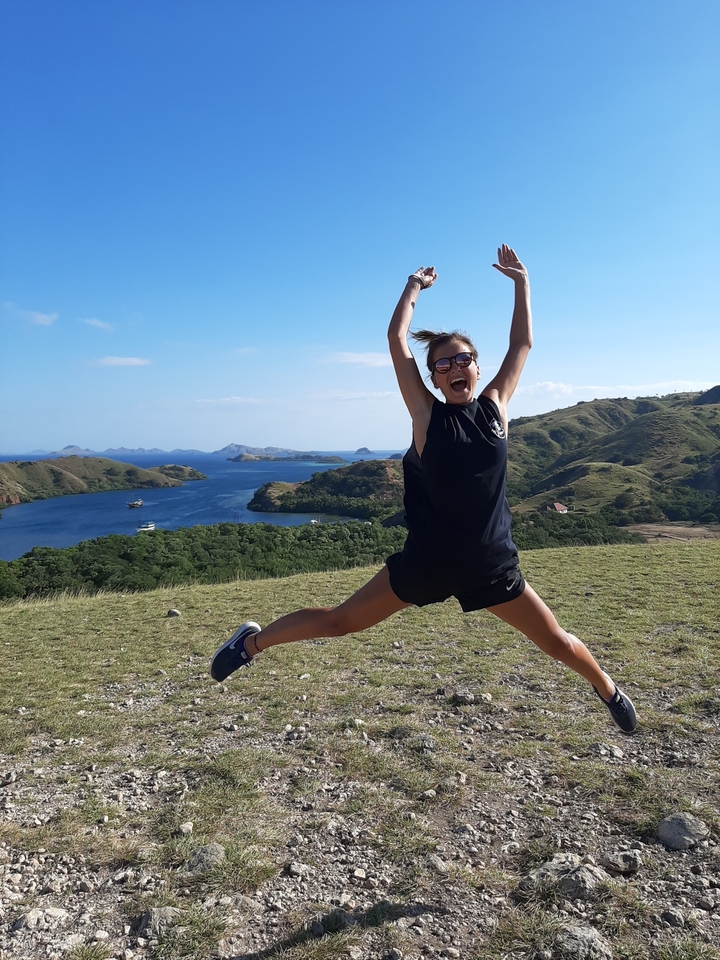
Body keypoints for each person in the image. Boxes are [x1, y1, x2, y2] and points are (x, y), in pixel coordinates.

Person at [211, 245, 637, 734]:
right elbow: (397, 340)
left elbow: (522, 346)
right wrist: (413, 287)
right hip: (428, 561)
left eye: (464, 359)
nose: (455, 367)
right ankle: (249, 644)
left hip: (491, 563)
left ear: (477, 367)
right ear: (433, 379)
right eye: (442, 364)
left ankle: (609, 689)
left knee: (558, 642)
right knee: (339, 621)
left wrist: (522, 283)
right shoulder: (427, 416)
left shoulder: (496, 408)